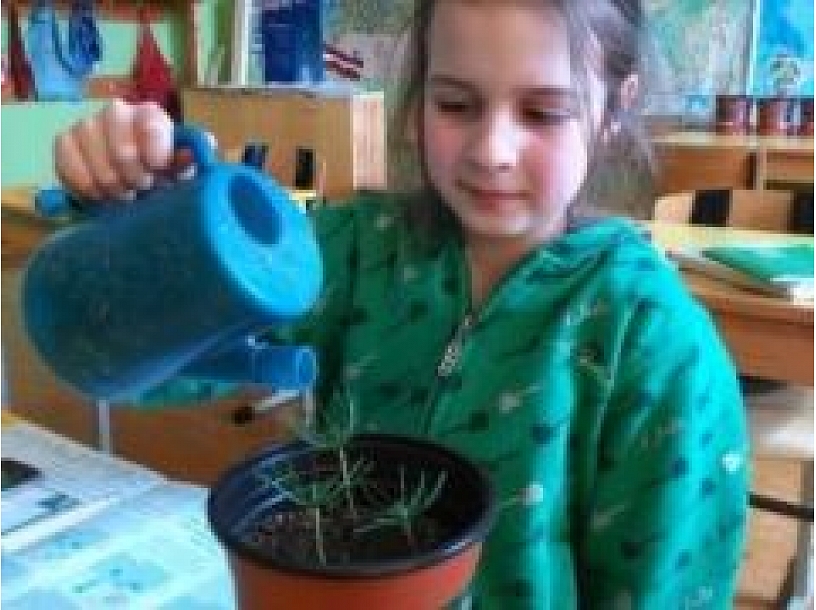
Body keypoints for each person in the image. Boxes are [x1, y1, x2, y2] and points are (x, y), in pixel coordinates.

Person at [53, 1, 748, 607]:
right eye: (455, 104)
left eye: (542, 112)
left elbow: (667, 585)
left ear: (615, 109)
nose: (492, 150)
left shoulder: (655, 342)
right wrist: (140, 225)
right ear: (418, 98)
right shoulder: (349, 251)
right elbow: (126, 367)